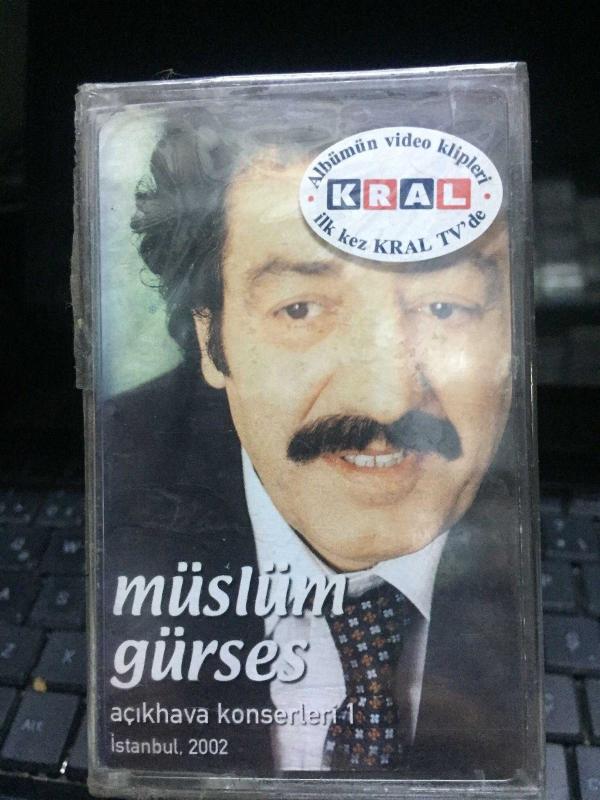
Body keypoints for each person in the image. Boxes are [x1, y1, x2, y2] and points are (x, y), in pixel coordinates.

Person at [101, 118, 524, 779]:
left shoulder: (537, 529)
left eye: (445, 307)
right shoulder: (114, 484)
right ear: (211, 339)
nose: (386, 399)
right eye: (300, 309)